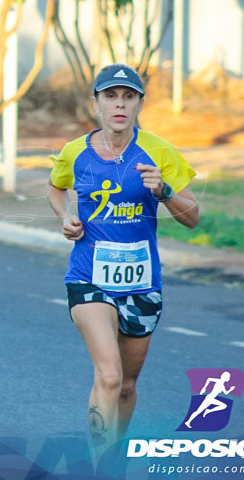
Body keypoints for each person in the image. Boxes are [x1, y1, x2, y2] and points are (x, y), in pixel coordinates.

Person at [47, 63, 199, 456]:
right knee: (110, 376)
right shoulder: (75, 152)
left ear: (139, 104)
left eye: (128, 97)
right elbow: (55, 187)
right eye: (111, 96)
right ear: (96, 102)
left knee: (128, 385)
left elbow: (192, 218)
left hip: (142, 283)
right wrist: (66, 217)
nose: (119, 105)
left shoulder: (158, 151)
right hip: (88, 278)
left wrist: (163, 190)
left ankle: (115, 455)